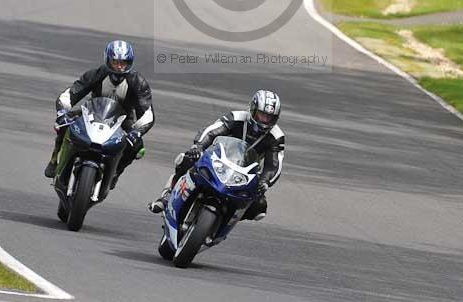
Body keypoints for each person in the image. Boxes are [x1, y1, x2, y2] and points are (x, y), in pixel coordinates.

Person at [149, 89, 284, 221]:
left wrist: (265, 181)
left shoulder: (276, 136)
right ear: (253, 109)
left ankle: (224, 221)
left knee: (259, 208)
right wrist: (199, 146)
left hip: (245, 173)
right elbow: (212, 131)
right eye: (262, 115)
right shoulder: (236, 117)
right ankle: (168, 196)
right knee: (186, 159)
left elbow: (274, 165)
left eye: (269, 117)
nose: (265, 120)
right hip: (218, 159)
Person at [44, 40, 155, 184]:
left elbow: (147, 113)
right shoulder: (96, 74)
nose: (119, 67)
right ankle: (55, 158)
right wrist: (62, 112)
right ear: (108, 60)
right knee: (63, 124)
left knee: (137, 148)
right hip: (91, 114)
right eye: (115, 62)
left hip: (122, 121)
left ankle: (115, 173)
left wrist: (137, 132)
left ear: (130, 63)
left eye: (123, 63)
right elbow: (70, 94)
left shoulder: (138, 82)